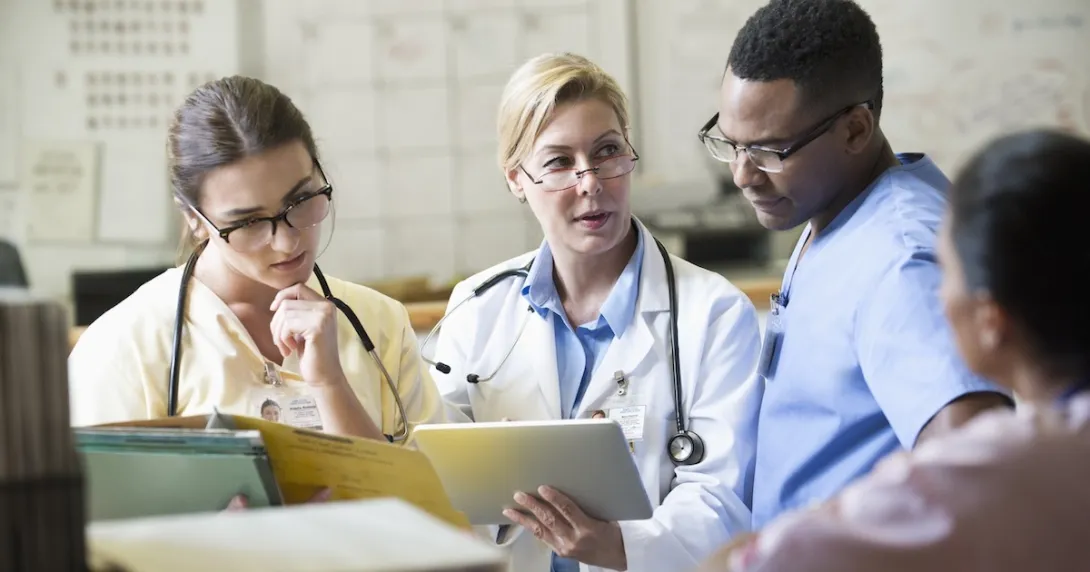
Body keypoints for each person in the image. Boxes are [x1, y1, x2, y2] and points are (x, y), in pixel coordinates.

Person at [427, 53, 763, 572]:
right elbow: (441, 482)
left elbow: (723, 499)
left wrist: (619, 547)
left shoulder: (714, 314)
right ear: (517, 179)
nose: (590, 182)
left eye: (606, 151)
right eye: (559, 162)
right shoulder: (476, 308)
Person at [698, 128, 1090, 572]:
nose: (934, 295)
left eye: (945, 274)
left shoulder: (994, 468)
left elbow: (758, 563)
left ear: (991, 322)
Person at [698, 0, 1012, 528]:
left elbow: (980, 467)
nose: (742, 176)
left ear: (855, 130)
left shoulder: (899, 258)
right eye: (730, 144)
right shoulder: (834, 212)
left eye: (770, 151)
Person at [68, 76, 446, 446]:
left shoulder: (379, 323)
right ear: (194, 220)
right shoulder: (124, 347)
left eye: (300, 202)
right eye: (248, 222)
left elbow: (437, 496)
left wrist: (331, 384)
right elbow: (97, 505)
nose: (286, 242)